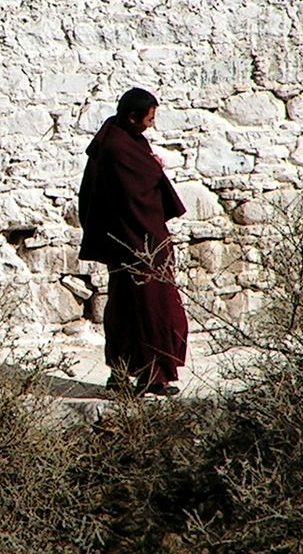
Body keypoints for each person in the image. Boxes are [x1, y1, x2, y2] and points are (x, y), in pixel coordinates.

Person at [78, 87, 188, 396]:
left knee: (146, 309)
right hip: (135, 242)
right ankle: (130, 375)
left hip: (139, 241)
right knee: (142, 311)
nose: (152, 124)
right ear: (132, 117)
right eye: (149, 118)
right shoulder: (116, 149)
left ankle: (149, 376)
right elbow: (132, 198)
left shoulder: (124, 139)